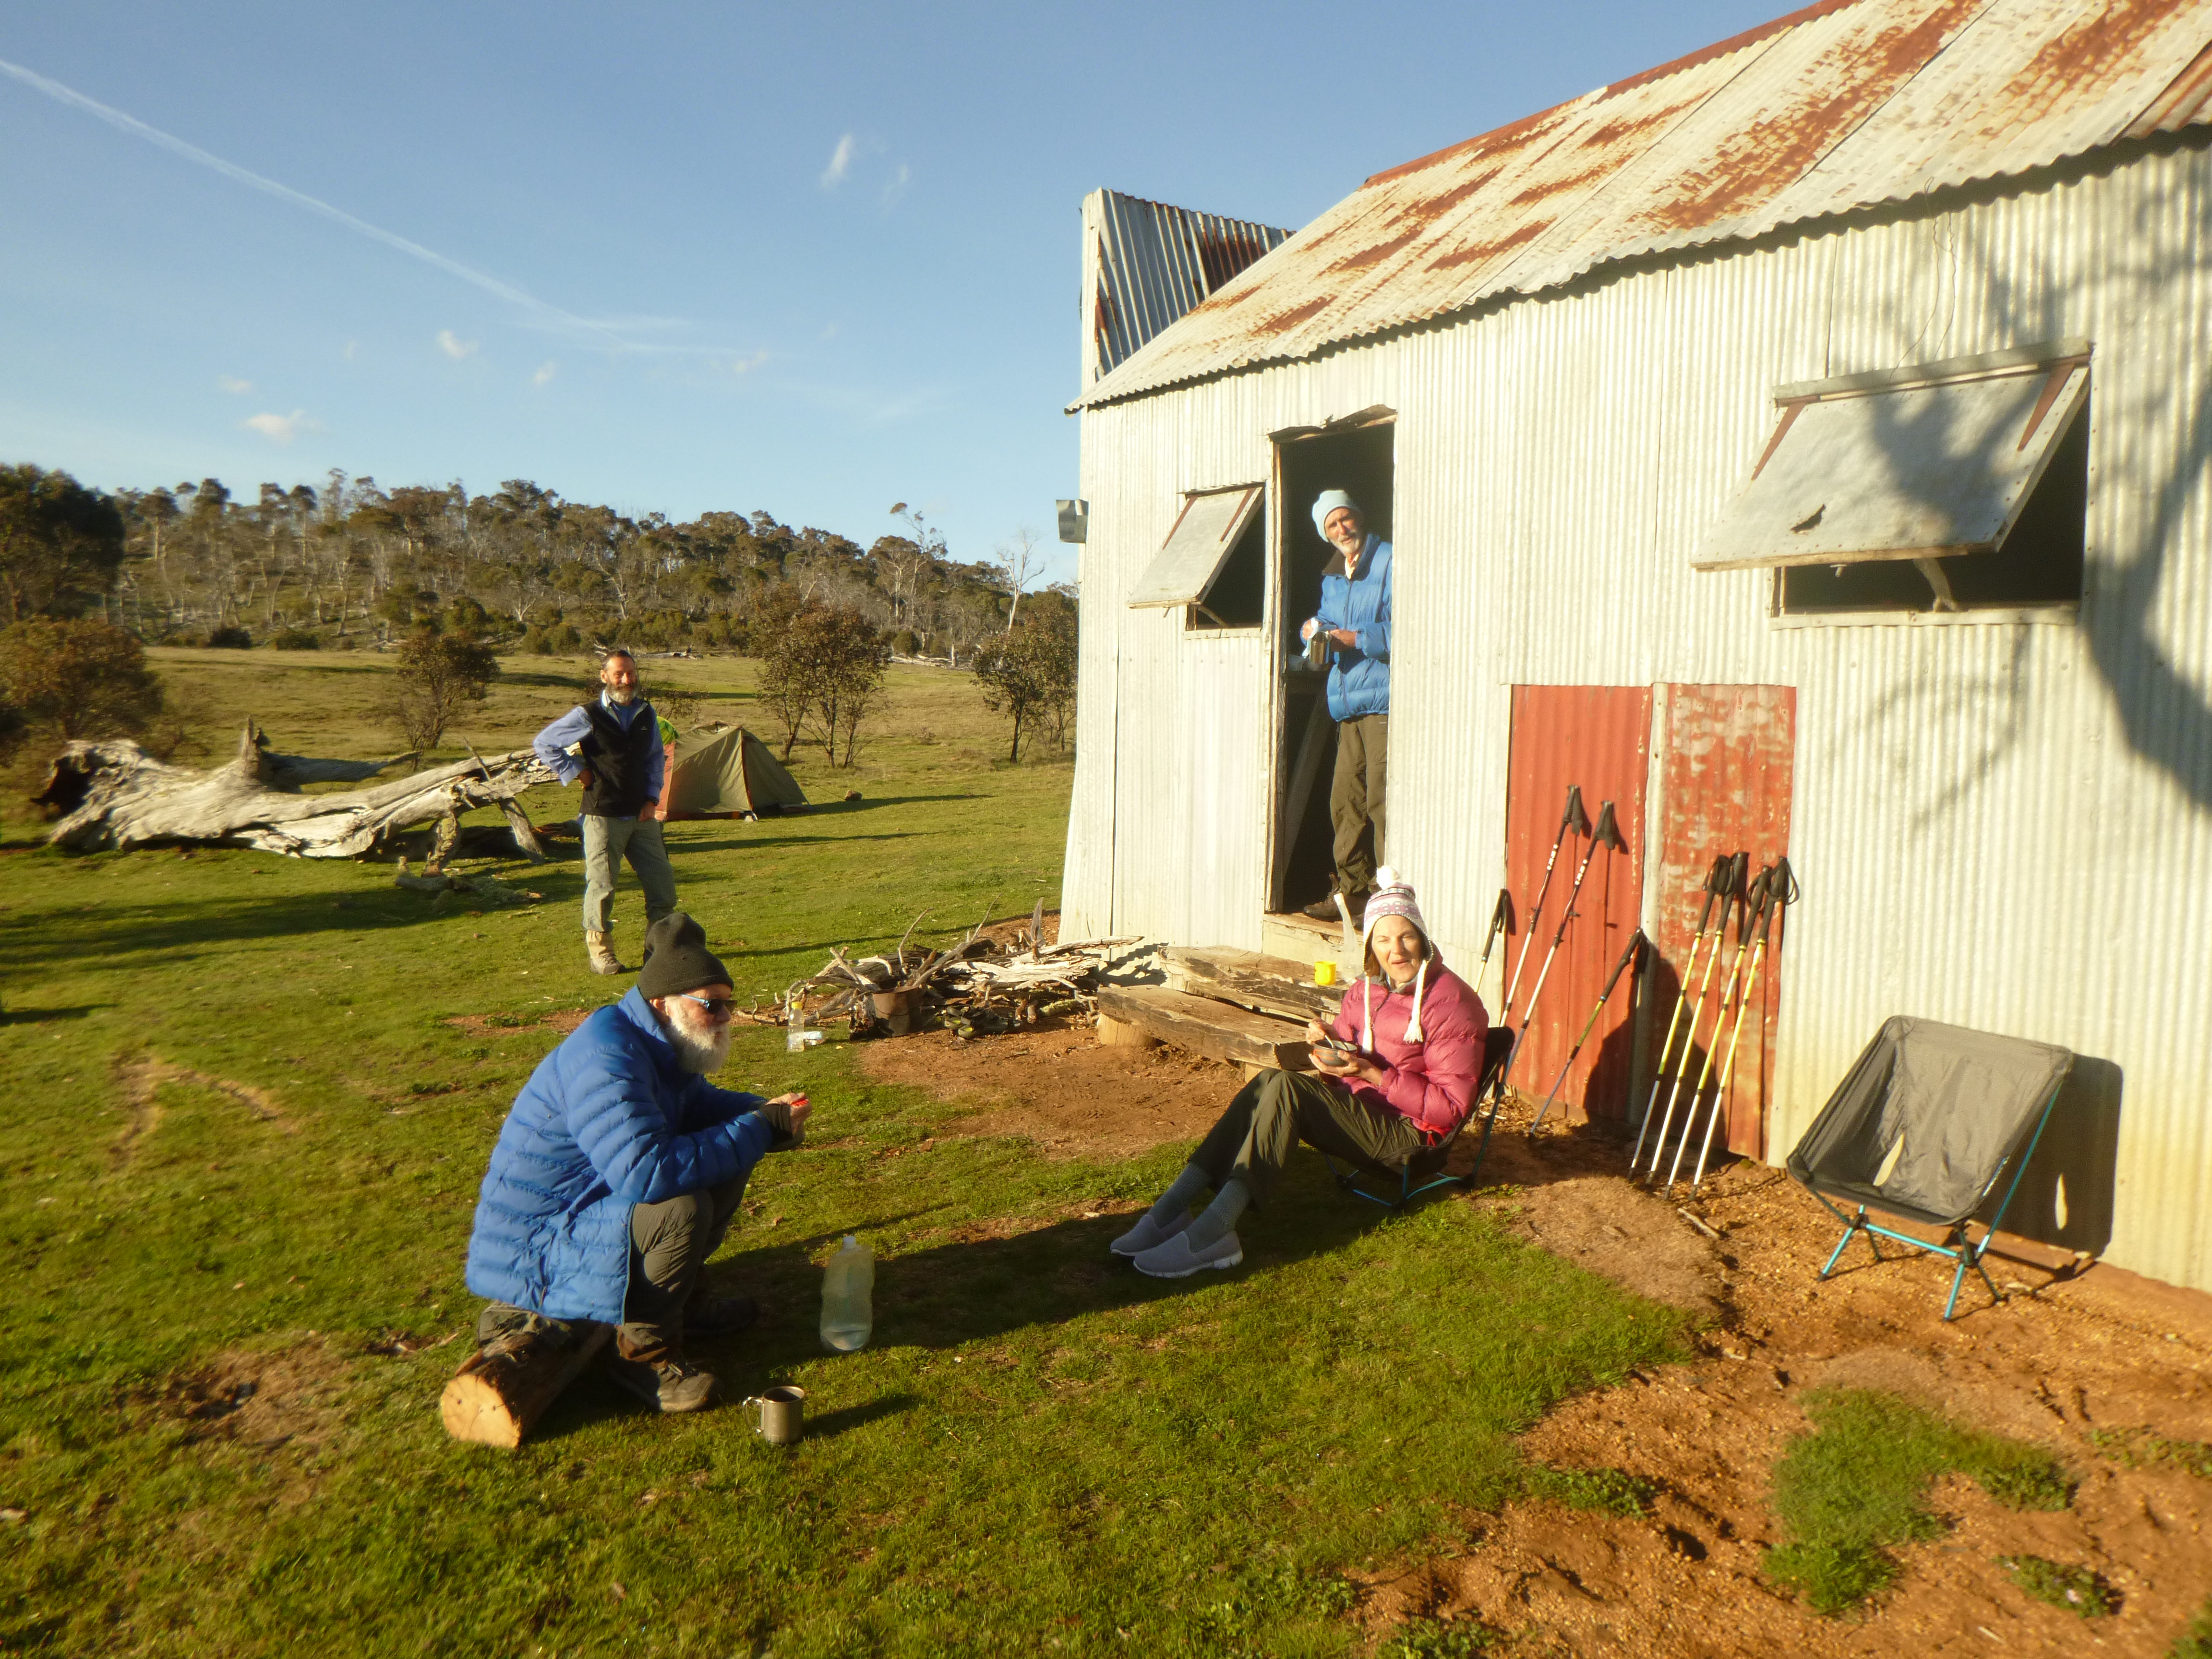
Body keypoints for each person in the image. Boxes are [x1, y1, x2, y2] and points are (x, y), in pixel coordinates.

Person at [465, 912, 809, 1413]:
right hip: (539, 1245)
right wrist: (758, 1129)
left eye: (728, 1004)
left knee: (727, 1157)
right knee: (679, 1205)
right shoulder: (607, 1057)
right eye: (713, 1006)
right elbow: (648, 1175)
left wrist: (764, 1113)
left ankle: (682, 1303)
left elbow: (696, 1107)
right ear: (662, 1004)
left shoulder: (654, 1042)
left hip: (591, 1204)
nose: (727, 1017)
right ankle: (641, 1353)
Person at [1113, 870, 1485, 1278]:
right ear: (1370, 947)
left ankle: (1215, 1234)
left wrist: (1373, 1074)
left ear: (1423, 938)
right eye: (1383, 939)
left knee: (1287, 1087)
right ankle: (1171, 1211)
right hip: (1361, 1113)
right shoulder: (1367, 990)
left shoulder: (1451, 1003)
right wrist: (1330, 1043)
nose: (1396, 951)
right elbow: (1347, 1055)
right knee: (1267, 1083)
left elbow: (1449, 1109)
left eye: (1406, 937)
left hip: (1410, 1137)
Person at [534, 649, 674, 975]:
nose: (626, 680)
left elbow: (656, 758)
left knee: (662, 884)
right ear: (604, 677)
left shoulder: (645, 713)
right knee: (603, 885)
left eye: (631, 673)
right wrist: (575, 771)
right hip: (603, 813)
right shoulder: (588, 714)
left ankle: (658, 951)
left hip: (642, 815)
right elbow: (545, 743)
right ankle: (602, 954)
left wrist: (653, 799)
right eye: (619, 674)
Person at [1299, 491, 1393, 921]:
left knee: (1380, 799)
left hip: (1381, 698)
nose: (1342, 530)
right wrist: (1314, 630)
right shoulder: (1332, 576)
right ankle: (1352, 893)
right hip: (1345, 700)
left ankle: (1389, 897)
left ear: (1360, 516)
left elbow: (1410, 624)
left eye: (1346, 519)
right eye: (1332, 525)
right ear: (1325, 534)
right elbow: (1329, 622)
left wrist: (1358, 639)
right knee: (1345, 801)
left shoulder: (1390, 560)